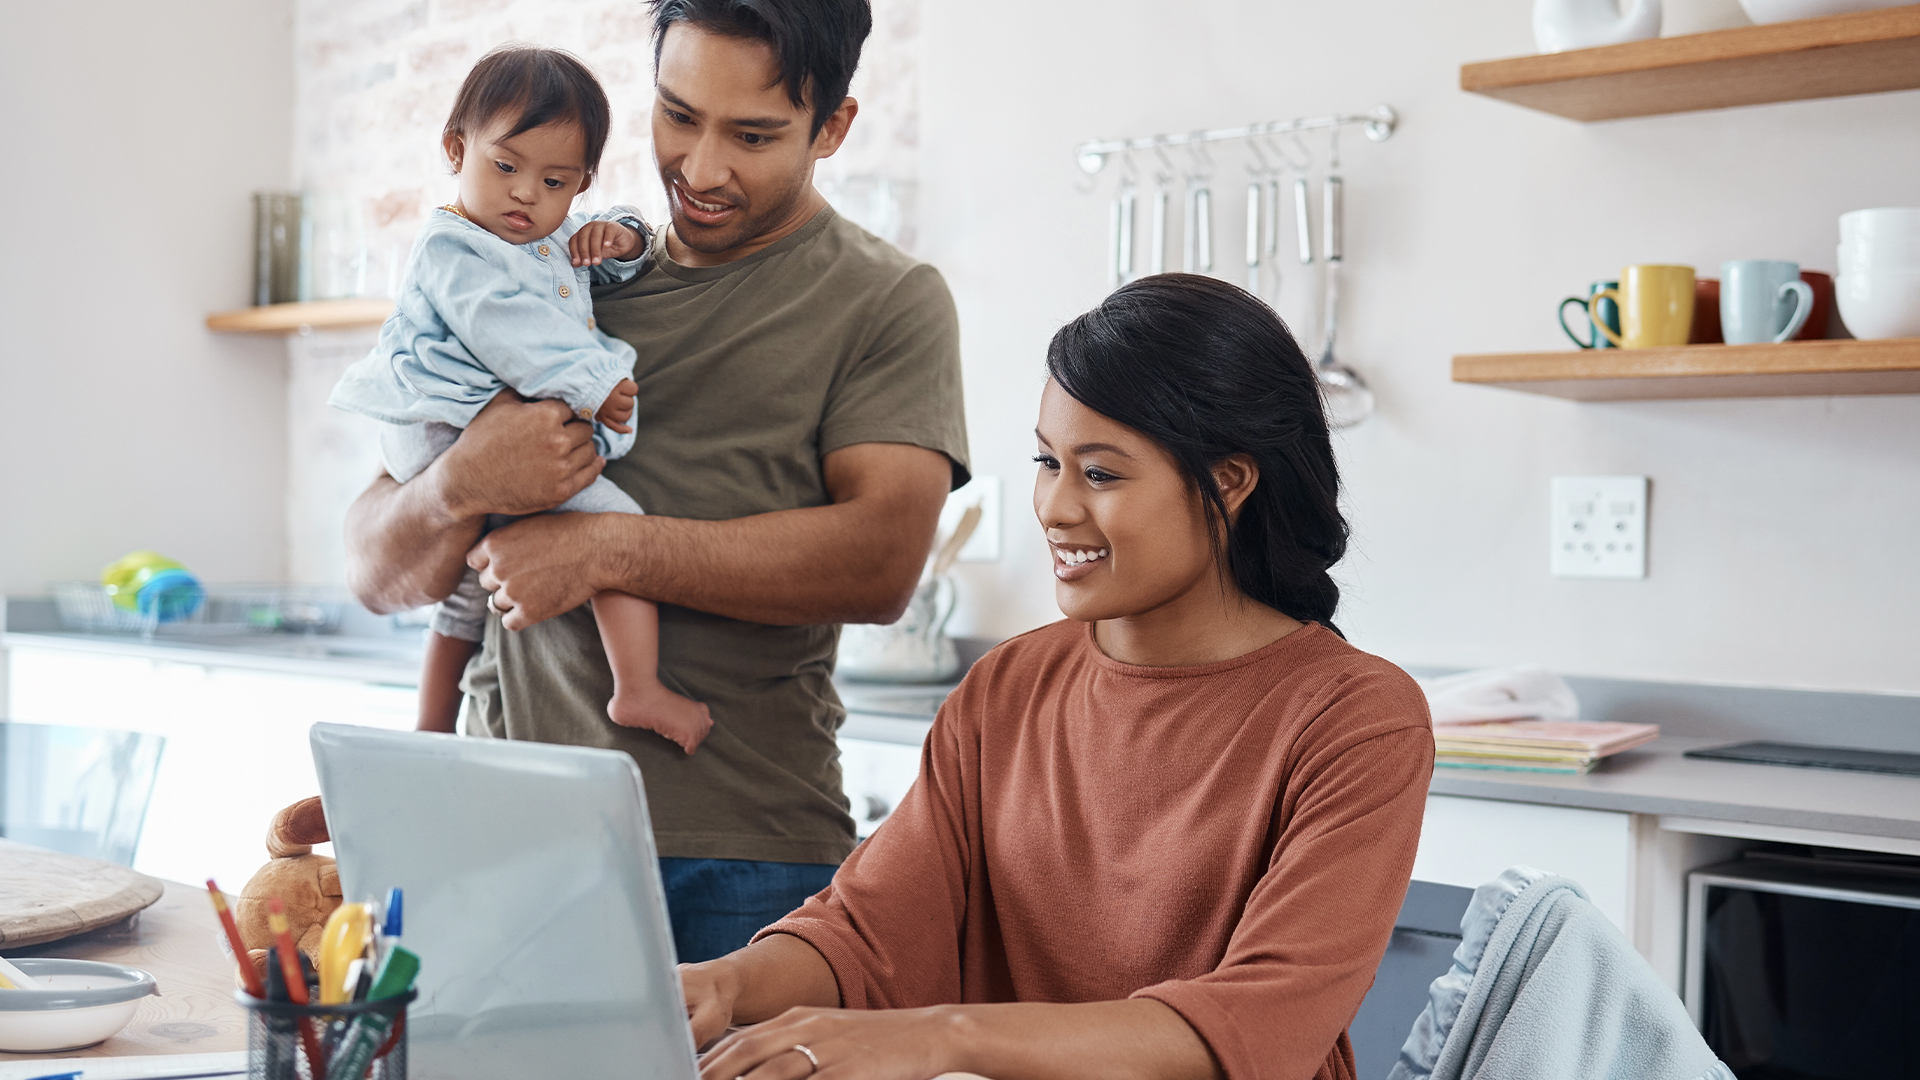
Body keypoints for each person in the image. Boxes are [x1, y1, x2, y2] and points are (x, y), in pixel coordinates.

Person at [681, 275, 1435, 1080]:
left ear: (1228, 480)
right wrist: (720, 985)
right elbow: (868, 929)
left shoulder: (1357, 718)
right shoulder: (1009, 685)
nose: (1055, 508)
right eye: (1049, 462)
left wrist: (947, 1036)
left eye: (1101, 475)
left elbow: (1258, 1021)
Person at [342, 0, 968, 965]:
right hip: (506, 838)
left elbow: (882, 561)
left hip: (743, 856)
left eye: (752, 135)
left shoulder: (883, 301)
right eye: (678, 116)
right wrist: (459, 481)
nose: (702, 168)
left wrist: (603, 547)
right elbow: (378, 570)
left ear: (833, 126)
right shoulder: (555, 275)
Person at [331, 45, 713, 753]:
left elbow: (604, 262)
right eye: (505, 167)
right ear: (456, 148)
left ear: (580, 184)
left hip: (457, 425)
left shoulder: (547, 235)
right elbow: (510, 332)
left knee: (468, 590)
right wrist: (594, 386)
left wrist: (621, 235)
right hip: (443, 425)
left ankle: (430, 731)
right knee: (617, 524)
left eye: (555, 180)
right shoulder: (456, 246)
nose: (525, 195)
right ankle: (640, 688)